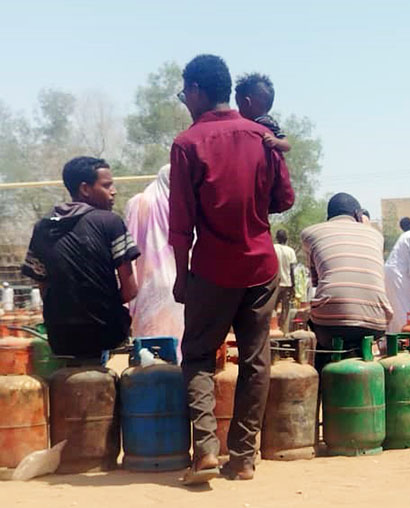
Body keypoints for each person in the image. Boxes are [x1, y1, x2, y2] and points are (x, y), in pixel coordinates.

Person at [170, 54, 294, 484]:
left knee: (199, 356)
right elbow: (285, 201)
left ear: (199, 91)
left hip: (212, 268)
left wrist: (181, 276)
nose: (185, 99)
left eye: (185, 91)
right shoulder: (263, 137)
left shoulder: (188, 144)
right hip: (261, 265)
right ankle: (243, 458)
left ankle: (205, 450)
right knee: (256, 361)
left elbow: (181, 221)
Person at [21, 156, 139, 364]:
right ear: (85, 189)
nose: (114, 191)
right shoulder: (110, 222)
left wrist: (70, 305)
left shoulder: (42, 228)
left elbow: (42, 285)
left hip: (61, 336)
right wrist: (99, 304)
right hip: (106, 333)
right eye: (107, 185)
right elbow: (130, 291)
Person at [301, 193, 392, 370]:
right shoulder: (376, 235)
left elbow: (316, 281)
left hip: (330, 325)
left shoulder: (310, 233)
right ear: (358, 215)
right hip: (375, 322)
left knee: (322, 345)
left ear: (328, 218)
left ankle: (320, 389)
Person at [125, 164, 184, 348]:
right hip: (180, 281)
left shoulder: (137, 203)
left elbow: (130, 244)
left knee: (149, 339)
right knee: (179, 336)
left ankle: (149, 372)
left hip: (146, 282)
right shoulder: (182, 206)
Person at [235, 73, 291, 152]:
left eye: (239, 103)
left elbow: (287, 145)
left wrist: (276, 141)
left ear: (247, 102)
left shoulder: (265, 121)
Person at [274, 230, 297, 330]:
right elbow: (292, 270)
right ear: (286, 239)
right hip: (287, 283)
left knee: (272, 308)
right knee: (285, 309)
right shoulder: (290, 251)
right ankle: (284, 330)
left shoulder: (273, 248)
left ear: (276, 238)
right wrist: (293, 285)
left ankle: (272, 328)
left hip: (275, 283)